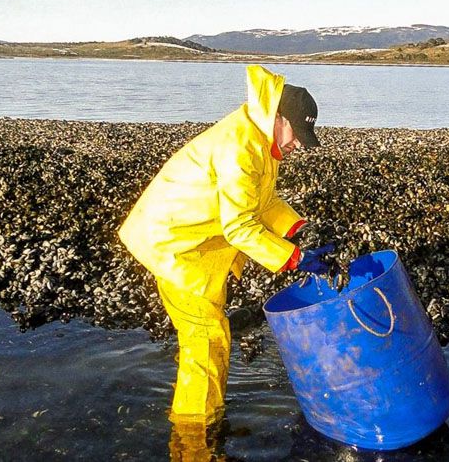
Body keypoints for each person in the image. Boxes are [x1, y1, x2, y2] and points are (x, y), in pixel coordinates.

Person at [118, 65, 332, 424]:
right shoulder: (240, 149)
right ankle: (194, 438)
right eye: (297, 133)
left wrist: (298, 229)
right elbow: (240, 227)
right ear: (278, 118)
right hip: (174, 246)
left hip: (196, 244)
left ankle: (198, 401)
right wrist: (295, 259)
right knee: (207, 342)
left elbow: (260, 201)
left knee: (205, 339)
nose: (298, 144)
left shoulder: (258, 140)